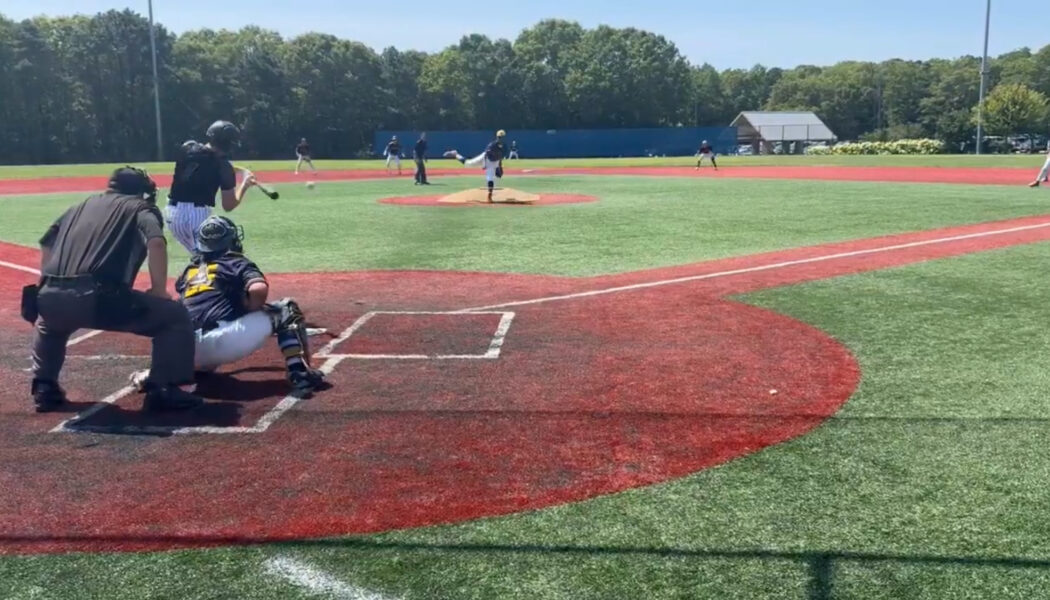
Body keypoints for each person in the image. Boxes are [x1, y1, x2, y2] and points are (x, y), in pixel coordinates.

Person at [25, 167, 203, 413]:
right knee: (174, 317)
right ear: (140, 191)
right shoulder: (141, 208)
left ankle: (45, 387)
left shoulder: (80, 206)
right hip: (97, 297)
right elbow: (156, 242)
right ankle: (164, 389)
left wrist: (46, 282)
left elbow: (46, 243)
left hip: (49, 295)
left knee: (49, 327)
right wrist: (159, 289)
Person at [129, 216, 327, 398]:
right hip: (225, 339)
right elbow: (258, 289)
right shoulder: (235, 261)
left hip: (185, 349)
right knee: (286, 309)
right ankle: (299, 373)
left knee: (198, 342)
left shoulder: (190, 270)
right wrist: (251, 306)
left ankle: (161, 372)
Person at [166, 120, 256, 253]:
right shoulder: (223, 166)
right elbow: (229, 205)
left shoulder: (187, 148)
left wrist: (238, 170)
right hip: (197, 216)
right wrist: (245, 184)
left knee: (198, 257)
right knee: (216, 259)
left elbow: (203, 164)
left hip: (172, 215)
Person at [443, 130, 508, 203]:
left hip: (494, 162)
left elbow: (500, 158)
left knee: (491, 178)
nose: (501, 138)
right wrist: (489, 165)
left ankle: (489, 196)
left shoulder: (505, 147)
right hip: (485, 158)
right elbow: (488, 153)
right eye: (500, 137)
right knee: (468, 164)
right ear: (497, 137)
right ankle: (455, 154)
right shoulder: (492, 145)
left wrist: (499, 166)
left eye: (502, 137)